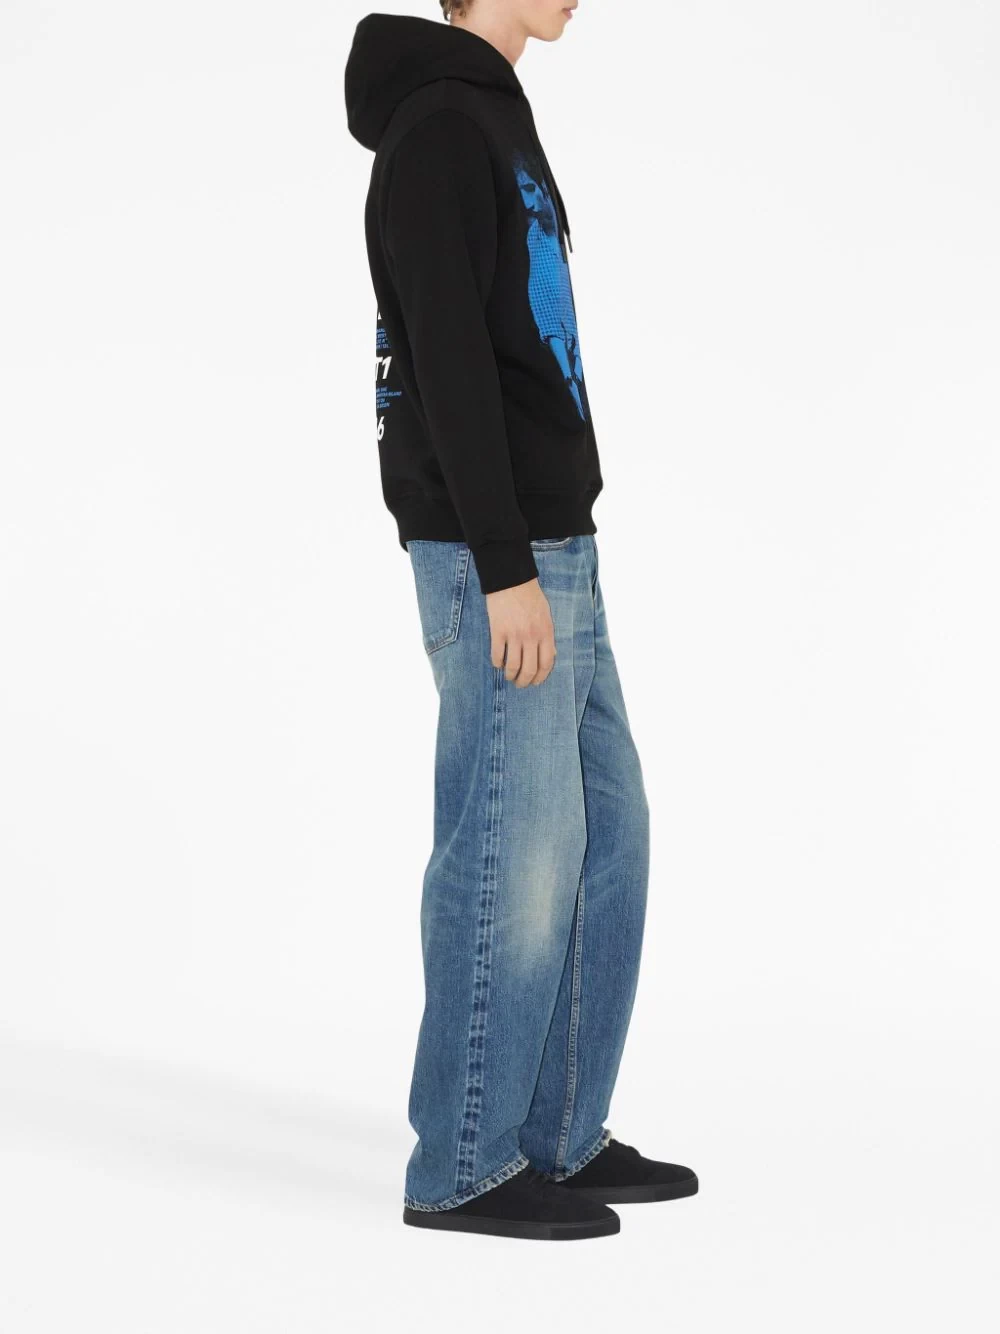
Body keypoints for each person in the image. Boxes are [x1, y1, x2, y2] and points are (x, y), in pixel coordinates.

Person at [345, 0, 698, 1241]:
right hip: (498, 553)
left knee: (609, 830)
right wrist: (502, 564)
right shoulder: (441, 125)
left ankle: (555, 1130)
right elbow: (443, 357)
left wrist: (543, 545)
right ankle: (463, 1162)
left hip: (555, 542)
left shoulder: (492, 113)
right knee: (511, 847)